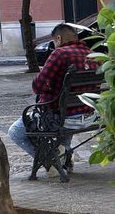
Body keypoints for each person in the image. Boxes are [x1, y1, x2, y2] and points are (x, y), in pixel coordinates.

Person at [8, 23, 99, 159]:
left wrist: (48, 87)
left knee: (15, 132)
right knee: (62, 118)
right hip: (88, 116)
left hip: (64, 118)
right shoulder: (92, 54)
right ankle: (63, 157)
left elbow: (37, 86)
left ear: (58, 38)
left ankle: (50, 161)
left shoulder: (60, 54)